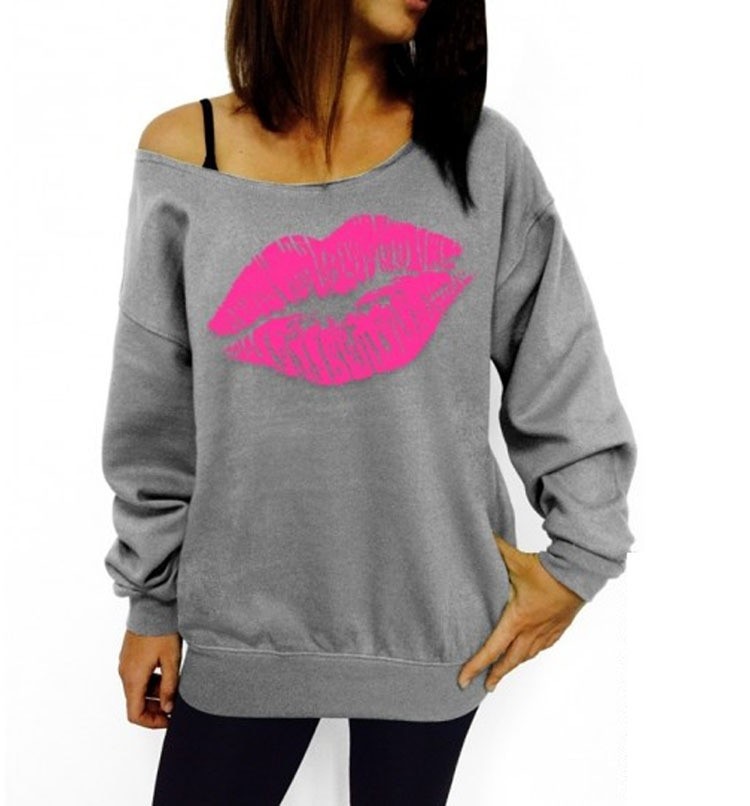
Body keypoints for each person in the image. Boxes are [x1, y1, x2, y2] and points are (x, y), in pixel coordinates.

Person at [100, 0, 638, 803]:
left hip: (438, 628)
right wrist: (152, 600)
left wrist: (580, 560)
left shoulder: (483, 154)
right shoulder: (185, 153)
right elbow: (155, 409)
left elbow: (559, 364)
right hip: (240, 628)